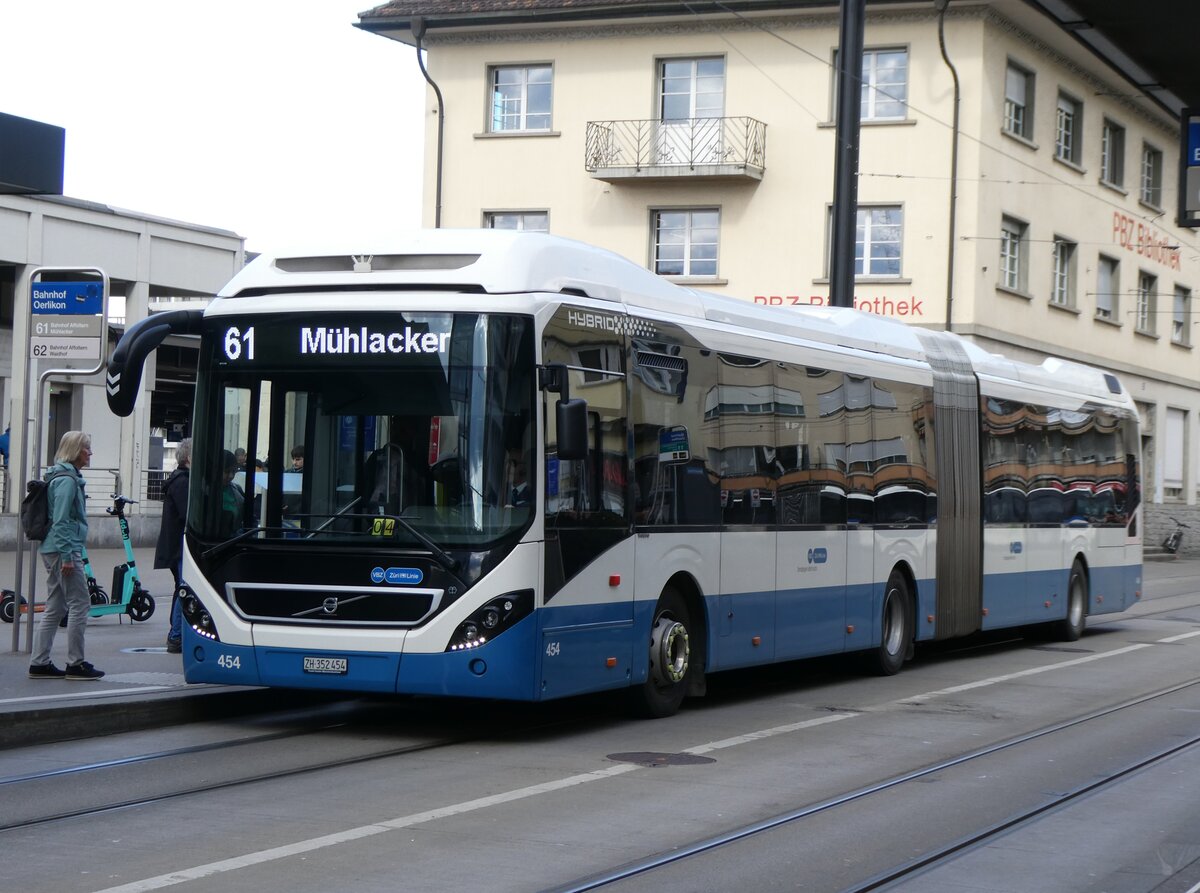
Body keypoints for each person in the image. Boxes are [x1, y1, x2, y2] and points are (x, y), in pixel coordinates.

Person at [28, 431, 104, 680]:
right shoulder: (67, 481)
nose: (90, 453)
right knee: (80, 604)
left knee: (55, 606)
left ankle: (39, 663)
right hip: (64, 550)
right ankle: (75, 663)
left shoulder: (63, 477)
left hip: (56, 548)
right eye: (87, 449)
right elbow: (61, 521)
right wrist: (69, 556)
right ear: (75, 451)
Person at [154, 438, 190, 654]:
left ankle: (175, 632)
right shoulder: (183, 482)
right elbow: (188, 514)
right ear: (189, 458)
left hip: (174, 545)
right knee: (185, 588)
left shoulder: (177, 479)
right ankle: (176, 634)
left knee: (181, 588)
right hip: (180, 546)